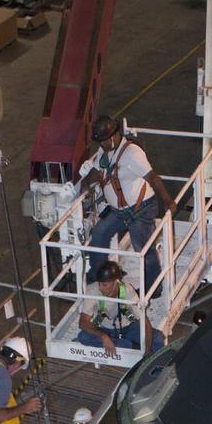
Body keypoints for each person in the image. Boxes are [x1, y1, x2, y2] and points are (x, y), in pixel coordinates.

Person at [80, 115, 177, 295]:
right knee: (99, 234)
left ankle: (153, 289)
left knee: (143, 250)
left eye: (103, 141)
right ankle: (97, 279)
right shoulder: (105, 152)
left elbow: (153, 178)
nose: (101, 146)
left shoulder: (132, 153)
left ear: (113, 136)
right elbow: (96, 170)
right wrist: (86, 183)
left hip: (141, 209)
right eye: (99, 142)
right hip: (119, 211)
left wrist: (168, 202)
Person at [74, 260, 165, 357]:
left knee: (157, 338)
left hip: (128, 329)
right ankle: (131, 346)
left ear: (116, 282)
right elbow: (83, 322)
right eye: (99, 283)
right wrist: (103, 336)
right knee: (83, 337)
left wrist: (148, 348)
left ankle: (156, 365)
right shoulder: (93, 290)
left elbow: (143, 320)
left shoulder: (127, 290)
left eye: (105, 284)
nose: (101, 288)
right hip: (104, 330)